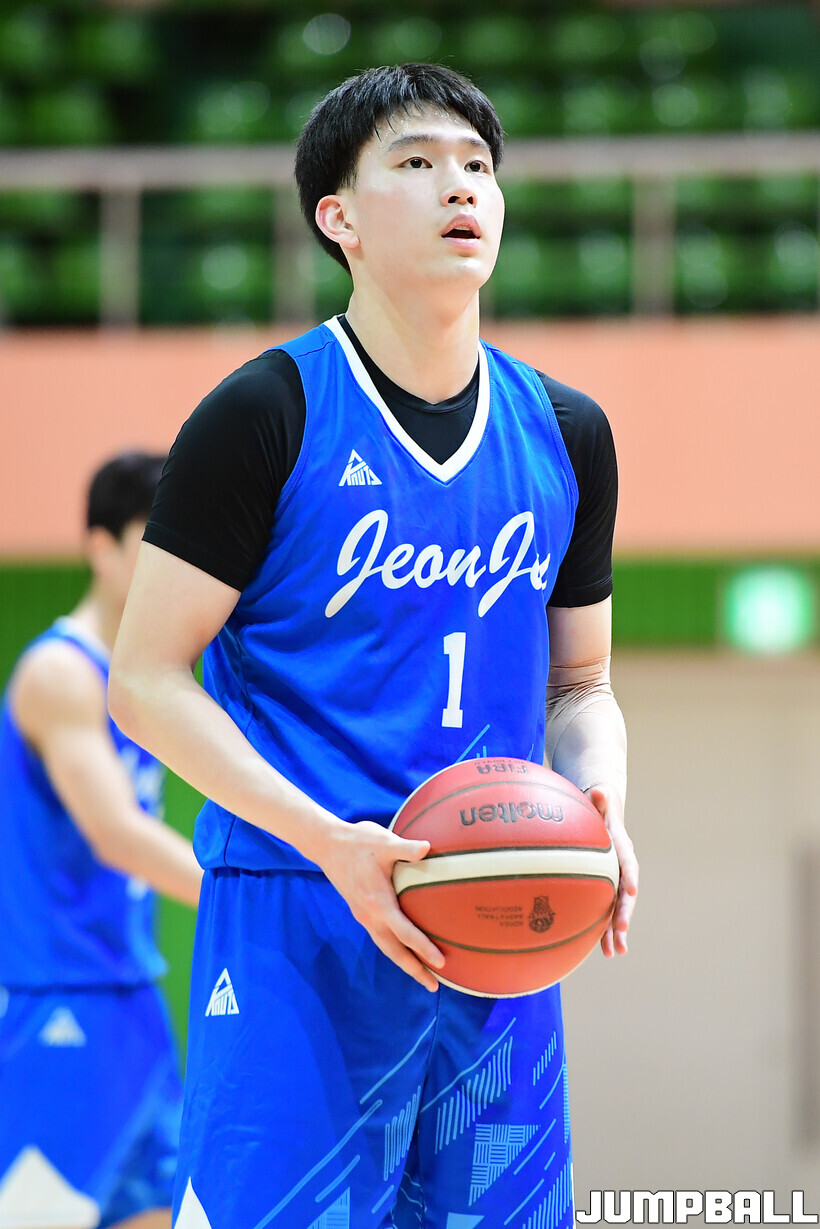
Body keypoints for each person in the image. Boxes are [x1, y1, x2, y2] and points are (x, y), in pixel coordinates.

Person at [109, 64, 638, 1229]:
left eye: (478, 165)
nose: (460, 185)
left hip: (496, 909)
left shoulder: (567, 432)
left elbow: (582, 682)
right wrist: (326, 839)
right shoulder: (262, 413)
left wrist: (598, 800)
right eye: (416, 162)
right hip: (302, 908)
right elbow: (143, 681)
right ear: (336, 217)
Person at [0, 452, 202, 1229]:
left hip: (133, 996)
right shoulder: (61, 672)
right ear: (100, 548)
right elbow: (116, 833)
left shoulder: (140, 677)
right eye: (151, 539)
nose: (168, 560)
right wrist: (245, 894)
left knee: (158, 1215)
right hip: (61, 995)